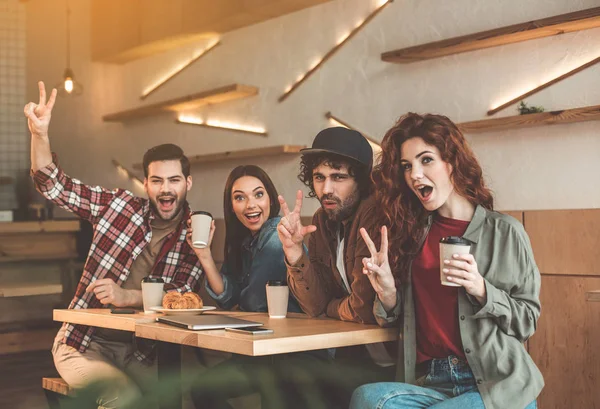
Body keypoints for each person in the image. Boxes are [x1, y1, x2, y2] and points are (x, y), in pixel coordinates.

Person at [24, 82, 203, 409]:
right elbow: (53, 185)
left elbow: (182, 293)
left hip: (141, 350)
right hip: (82, 342)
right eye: (157, 181)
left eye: (174, 180)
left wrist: (128, 297)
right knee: (124, 399)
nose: (166, 190)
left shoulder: (195, 235)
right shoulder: (117, 205)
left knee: (186, 400)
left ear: (187, 183)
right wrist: (40, 134)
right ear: (145, 183)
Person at [351, 113, 543, 409]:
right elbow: (399, 317)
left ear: (452, 162)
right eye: (407, 166)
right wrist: (388, 293)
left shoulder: (505, 232)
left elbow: (527, 321)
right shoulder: (412, 234)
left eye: (426, 160)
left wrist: (481, 289)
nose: (415, 174)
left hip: (495, 385)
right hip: (431, 381)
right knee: (367, 399)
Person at [188, 165, 328, 409]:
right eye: (240, 198)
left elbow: (252, 301)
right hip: (265, 353)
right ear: (232, 206)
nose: (250, 204)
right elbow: (227, 296)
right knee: (203, 389)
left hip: (298, 354)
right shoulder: (245, 241)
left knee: (204, 390)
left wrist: (237, 301)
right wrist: (204, 255)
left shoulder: (276, 235)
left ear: (270, 199)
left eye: (258, 194)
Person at [277, 127, 396, 408]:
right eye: (319, 178)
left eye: (338, 177)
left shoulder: (374, 214)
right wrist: (294, 253)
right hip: (354, 356)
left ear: (362, 180)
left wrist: (332, 306)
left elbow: (363, 309)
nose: (326, 189)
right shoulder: (322, 219)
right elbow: (314, 306)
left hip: (397, 361)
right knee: (287, 373)